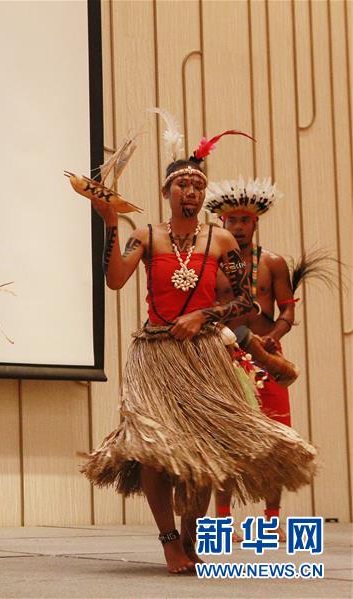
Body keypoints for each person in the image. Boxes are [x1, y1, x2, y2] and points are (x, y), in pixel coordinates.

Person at [80, 122, 317, 574]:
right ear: (167, 190)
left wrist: (202, 316)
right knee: (154, 446)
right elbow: (114, 279)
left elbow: (246, 303)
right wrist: (111, 223)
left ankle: (191, 534)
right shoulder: (146, 236)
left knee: (207, 450)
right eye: (182, 184)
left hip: (204, 355)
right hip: (155, 354)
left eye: (197, 185)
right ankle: (169, 540)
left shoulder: (220, 239)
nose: (190, 190)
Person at [206, 177, 305, 542]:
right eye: (231, 221)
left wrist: (272, 339)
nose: (238, 228)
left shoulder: (273, 262)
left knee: (276, 438)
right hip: (228, 356)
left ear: (255, 222)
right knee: (227, 438)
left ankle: (273, 517)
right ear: (222, 224)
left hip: (267, 360)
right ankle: (222, 518)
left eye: (244, 221)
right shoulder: (212, 264)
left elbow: (288, 312)